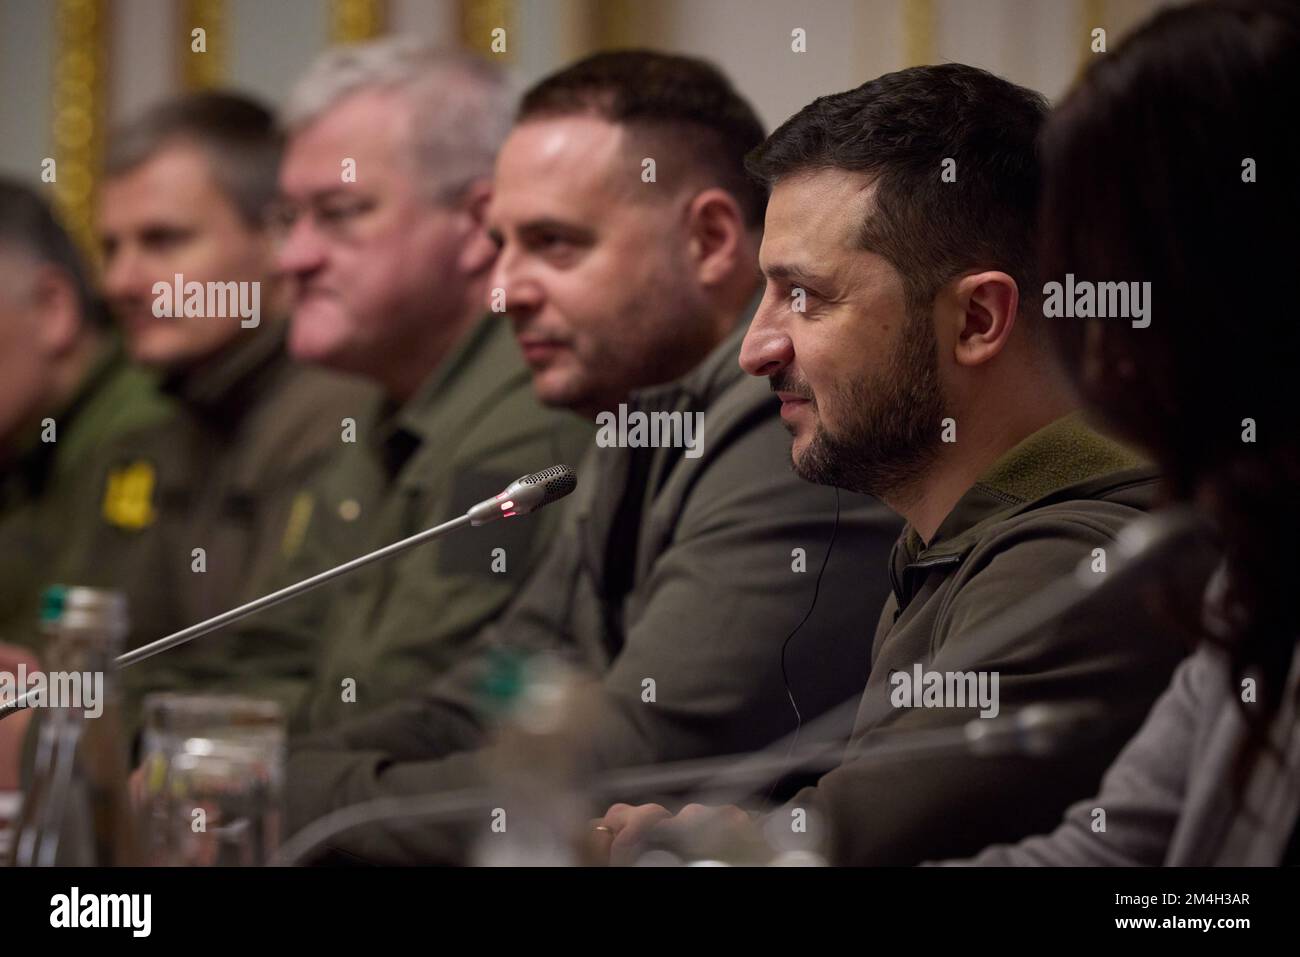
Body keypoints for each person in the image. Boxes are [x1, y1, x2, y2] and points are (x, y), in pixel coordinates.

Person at [281, 50, 901, 865]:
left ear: (710, 239)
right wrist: (276, 771)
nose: (508, 290)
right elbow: (489, 696)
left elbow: (629, 760)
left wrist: (283, 792)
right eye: (501, 245)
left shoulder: (786, 424)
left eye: (553, 244)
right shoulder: (636, 416)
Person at [593, 63, 1199, 866]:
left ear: (978, 318)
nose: (754, 349)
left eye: (805, 296)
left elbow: (856, 850)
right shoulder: (972, 530)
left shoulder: (1072, 563)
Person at [943, 0, 1300, 866]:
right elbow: (1107, 860)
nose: (1106, 351)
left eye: (1130, 281)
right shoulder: (1256, 559)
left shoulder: (1098, 540)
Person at [235, 39, 591, 731]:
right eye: (287, 219)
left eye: (339, 213)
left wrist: (187, 750)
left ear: (474, 225)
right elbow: (254, 653)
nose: (294, 257)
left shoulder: (531, 408)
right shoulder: (375, 402)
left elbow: (401, 711)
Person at [86, 91, 375, 719]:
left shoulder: (344, 415)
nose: (121, 283)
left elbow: (282, 681)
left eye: (163, 241)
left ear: (277, 239)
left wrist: (86, 717)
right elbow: (123, 649)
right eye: (111, 249)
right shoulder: (170, 423)